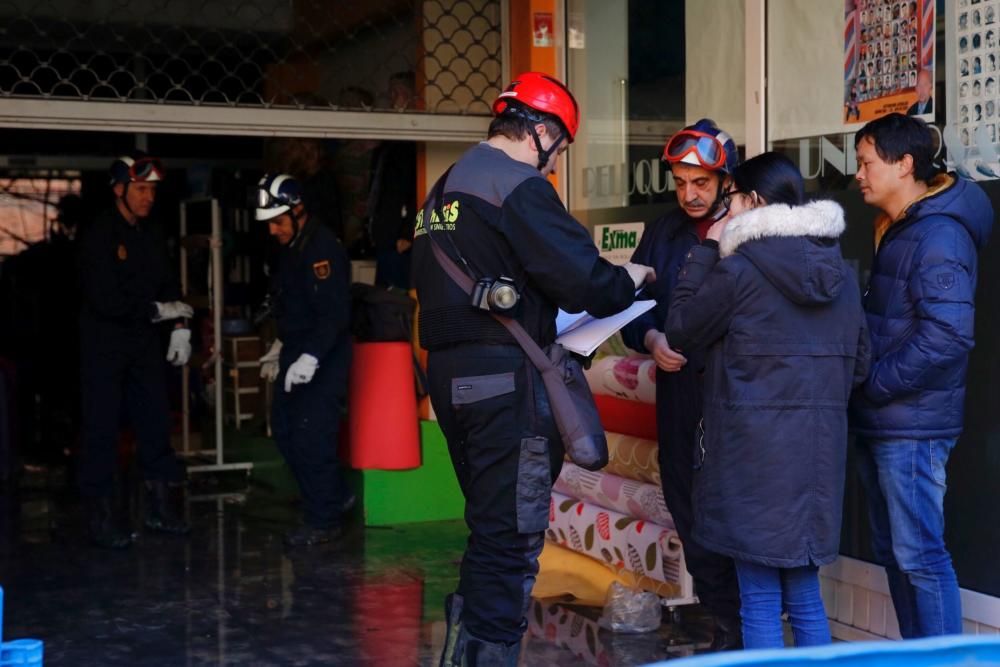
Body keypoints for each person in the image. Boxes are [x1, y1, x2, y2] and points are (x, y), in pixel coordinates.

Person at [411, 71, 655, 665]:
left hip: (451, 379)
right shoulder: (515, 186)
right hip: (504, 386)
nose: (555, 165)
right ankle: (490, 655)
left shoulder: (443, 190)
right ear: (541, 131)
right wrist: (631, 278)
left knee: (489, 528)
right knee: (512, 539)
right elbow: (587, 282)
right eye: (560, 150)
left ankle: (464, 652)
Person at [664, 153, 870, 648]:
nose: (725, 211)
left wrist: (705, 255)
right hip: (817, 459)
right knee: (804, 594)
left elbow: (680, 329)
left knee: (756, 596)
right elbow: (860, 366)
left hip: (751, 459)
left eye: (731, 199)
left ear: (754, 201)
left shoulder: (738, 273)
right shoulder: (840, 276)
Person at [850, 113, 993, 637]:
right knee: (896, 552)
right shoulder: (900, 225)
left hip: (911, 424)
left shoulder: (939, 235)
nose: (859, 174)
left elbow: (949, 336)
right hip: (885, 419)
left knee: (921, 557)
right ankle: (917, 656)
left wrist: (876, 382)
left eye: (867, 163)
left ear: (905, 164)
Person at [619, 119, 744, 650]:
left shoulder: (747, 227)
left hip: (732, 395)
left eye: (702, 183)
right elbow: (630, 309)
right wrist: (650, 339)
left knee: (734, 512)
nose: (690, 195)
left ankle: (747, 626)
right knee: (688, 509)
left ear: (726, 180)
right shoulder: (662, 232)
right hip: (676, 395)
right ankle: (723, 622)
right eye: (681, 183)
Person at [77, 152, 192, 549]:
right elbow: (105, 299)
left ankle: (159, 509)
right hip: (104, 345)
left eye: (153, 191)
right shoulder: (98, 234)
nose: (149, 198)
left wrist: (179, 326)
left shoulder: (151, 233)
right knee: (102, 428)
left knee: (156, 421)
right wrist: (158, 311)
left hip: (143, 344)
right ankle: (100, 517)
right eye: (142, 189)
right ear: (120, 189)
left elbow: (168, 283)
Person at [254, 173, 354, 547]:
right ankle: (330, 494)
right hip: (297, 351)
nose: (273, 230)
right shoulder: (294, 246)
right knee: (284, 429)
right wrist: (281, 345)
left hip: (322, 358)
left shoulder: (321, 249)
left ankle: (323, 518)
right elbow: (292, 303)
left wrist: (310, 357)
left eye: (278, 221)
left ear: (298, 210)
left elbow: (333, 314)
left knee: (313, 437)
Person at [367, 72, 418, 289]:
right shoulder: (389, 143)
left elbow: (419, 188)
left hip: (400, 239)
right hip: (384, 234)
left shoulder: (413, 144)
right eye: (390, 94)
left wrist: (408, 233)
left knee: (395, 302)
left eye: (397, 93)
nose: (392, 99)